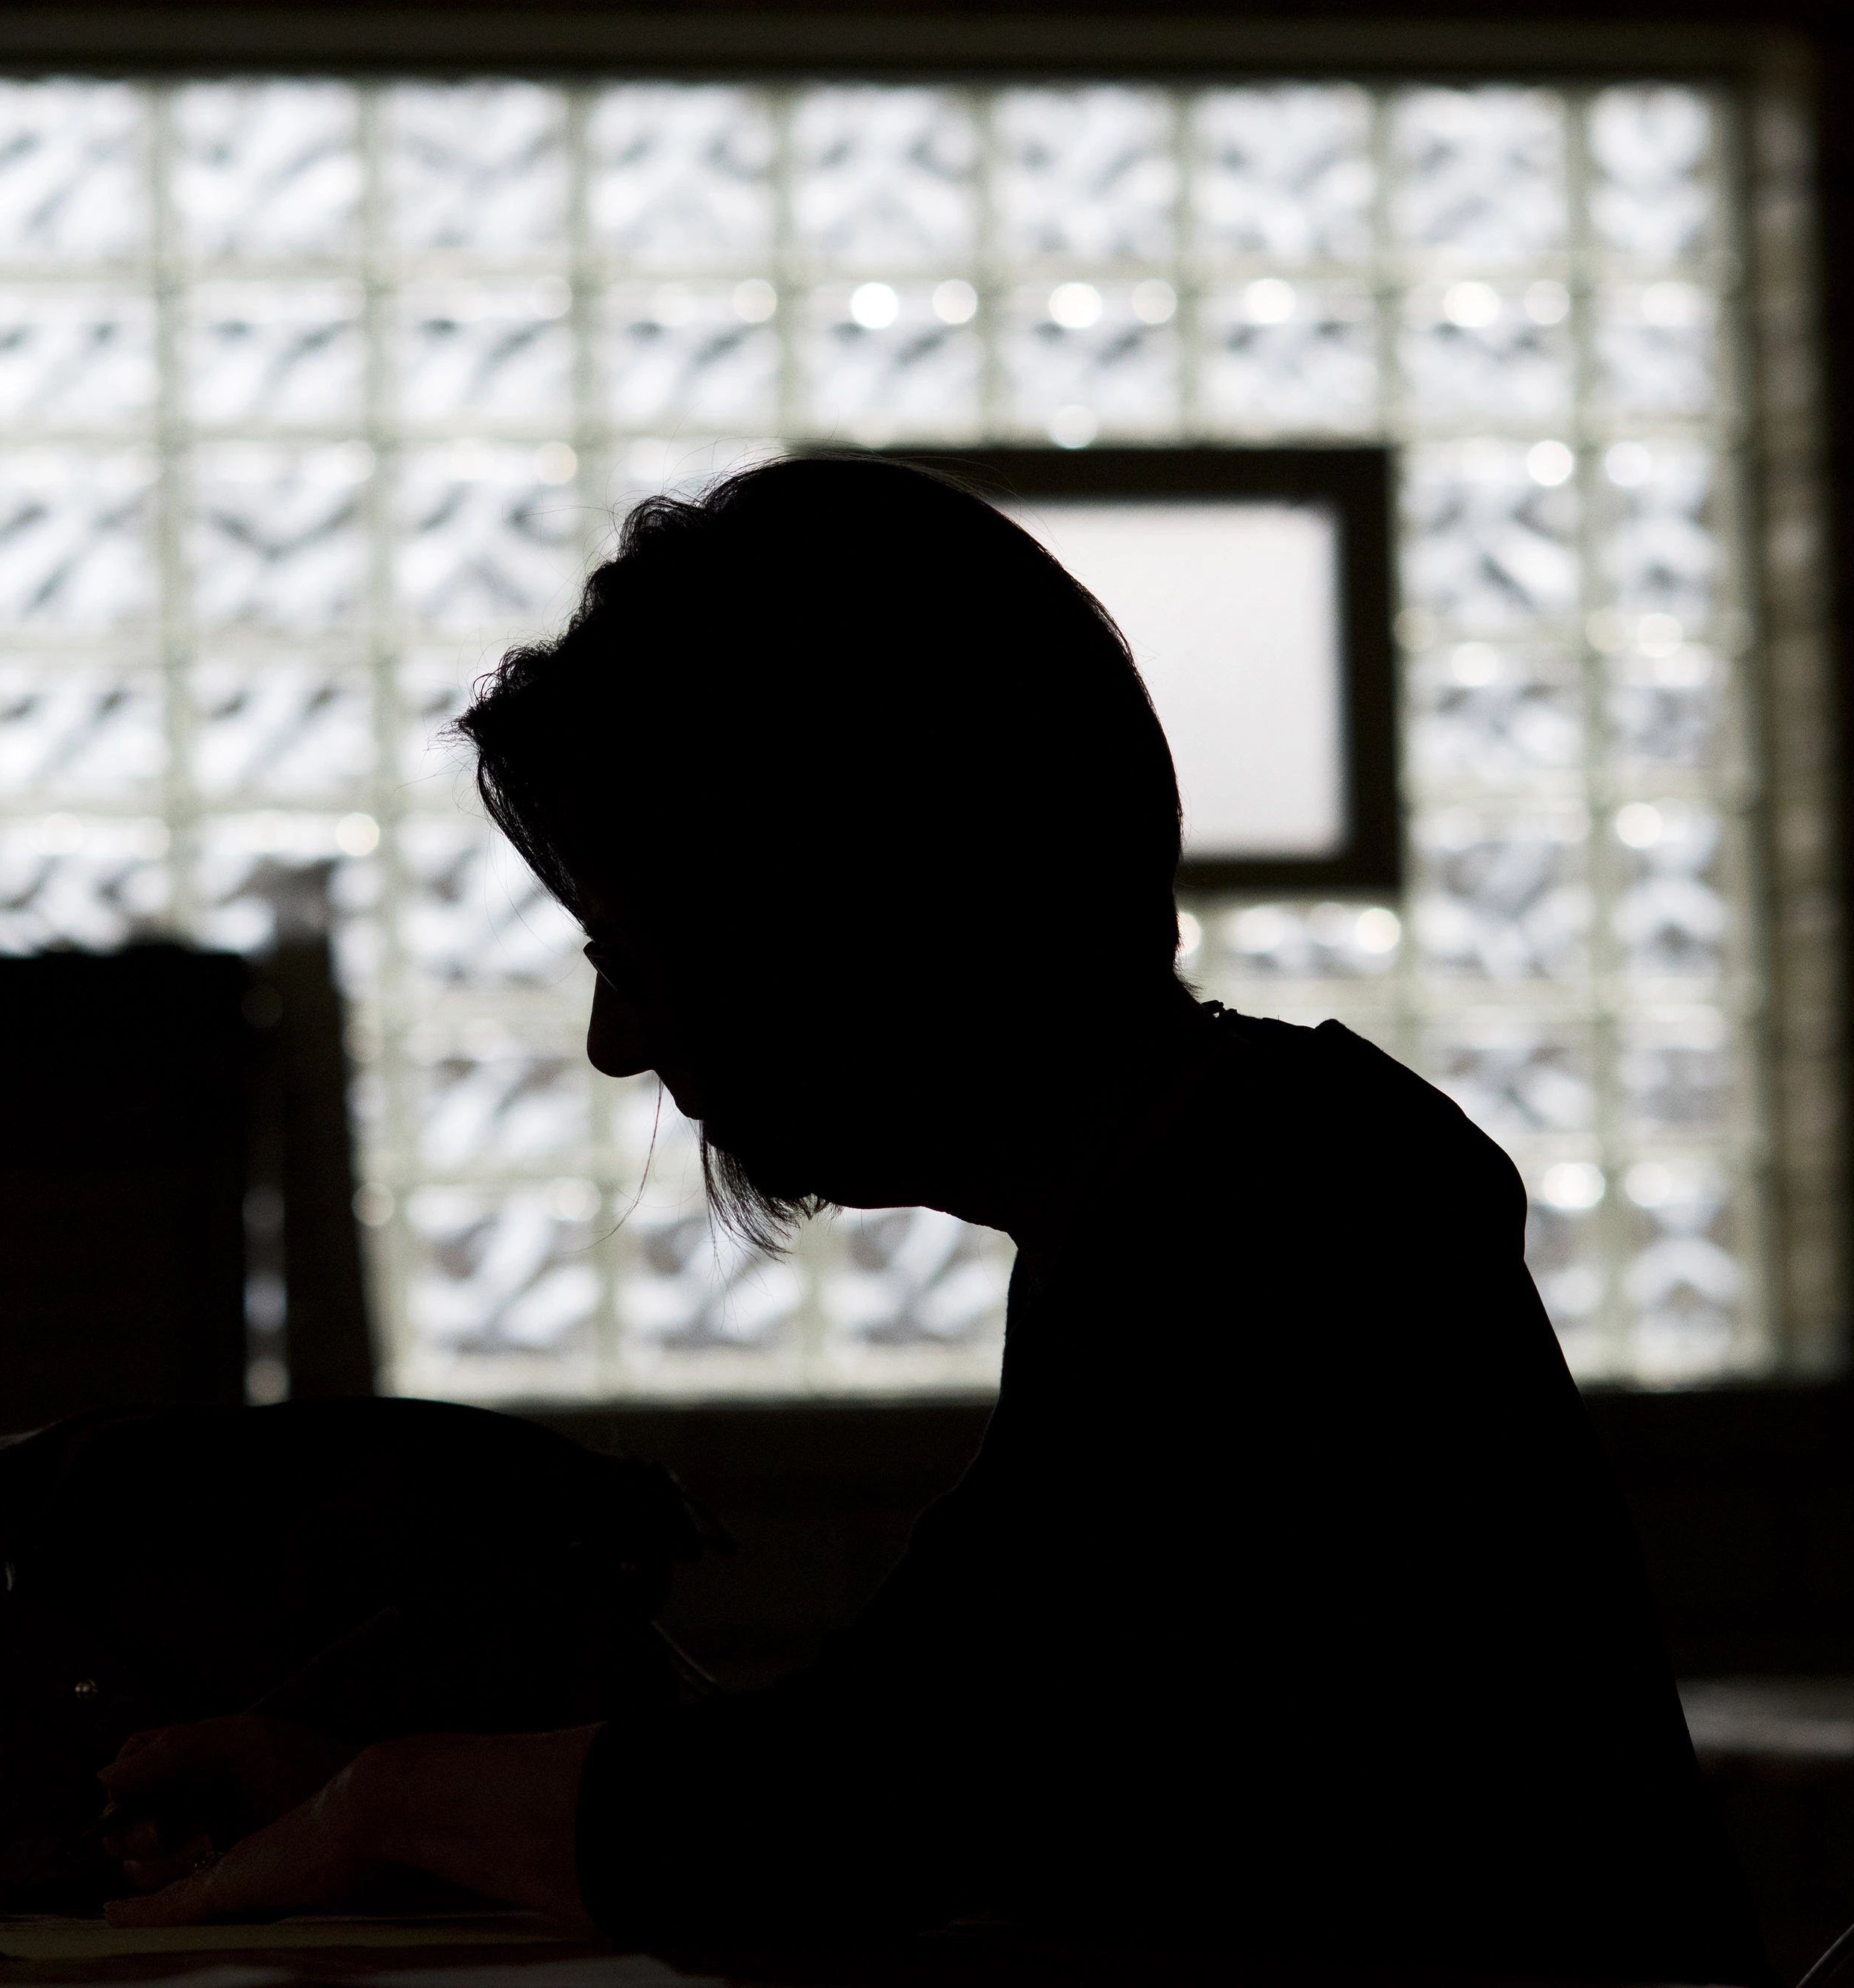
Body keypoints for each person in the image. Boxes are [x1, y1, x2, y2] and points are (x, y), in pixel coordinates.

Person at [92, 455, 1766, 1984]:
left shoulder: (1271, 1233)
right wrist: (362, 1782)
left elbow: (853, 1814)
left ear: (827, 912)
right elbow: (967, 1744)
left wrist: (382, 1803)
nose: (618, 1045)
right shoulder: (1226, 1185)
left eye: (630, 951)